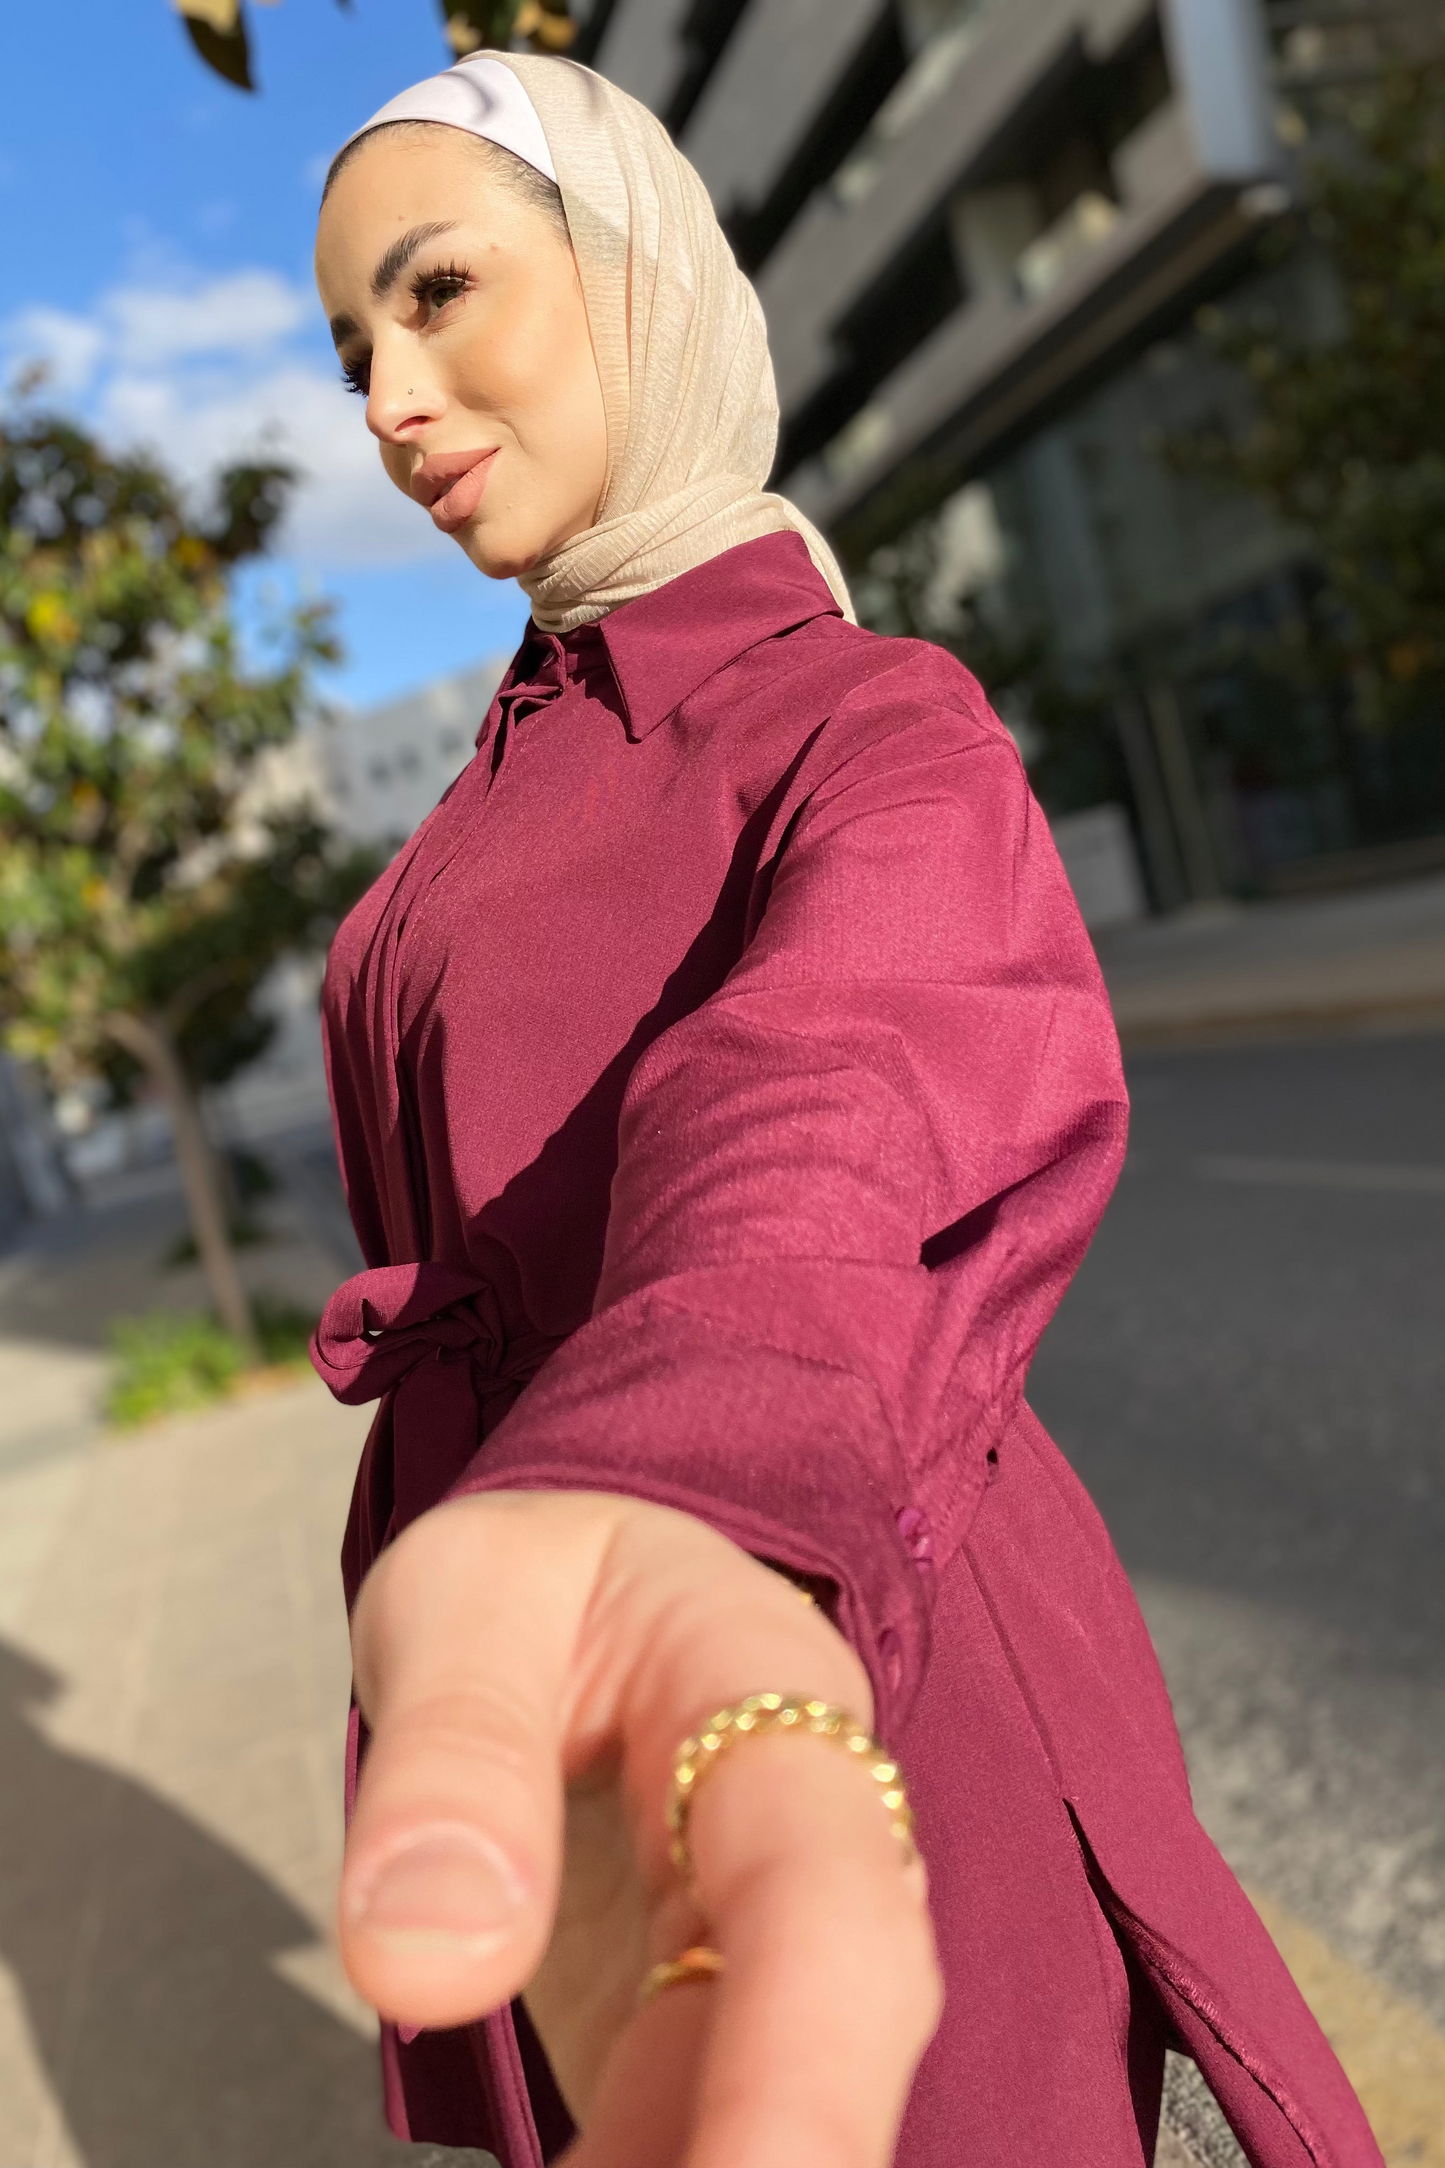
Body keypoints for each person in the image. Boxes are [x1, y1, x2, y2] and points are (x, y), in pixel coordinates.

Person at [308, 49, 1382, 2168]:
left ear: (634, 275)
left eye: (438, 292)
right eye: (352, 344)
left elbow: (827, 1096)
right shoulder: (487, 780)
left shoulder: (861, 720)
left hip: (836, 1661)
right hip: (555, 1692)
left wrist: (659, 1494)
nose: (384, 399)